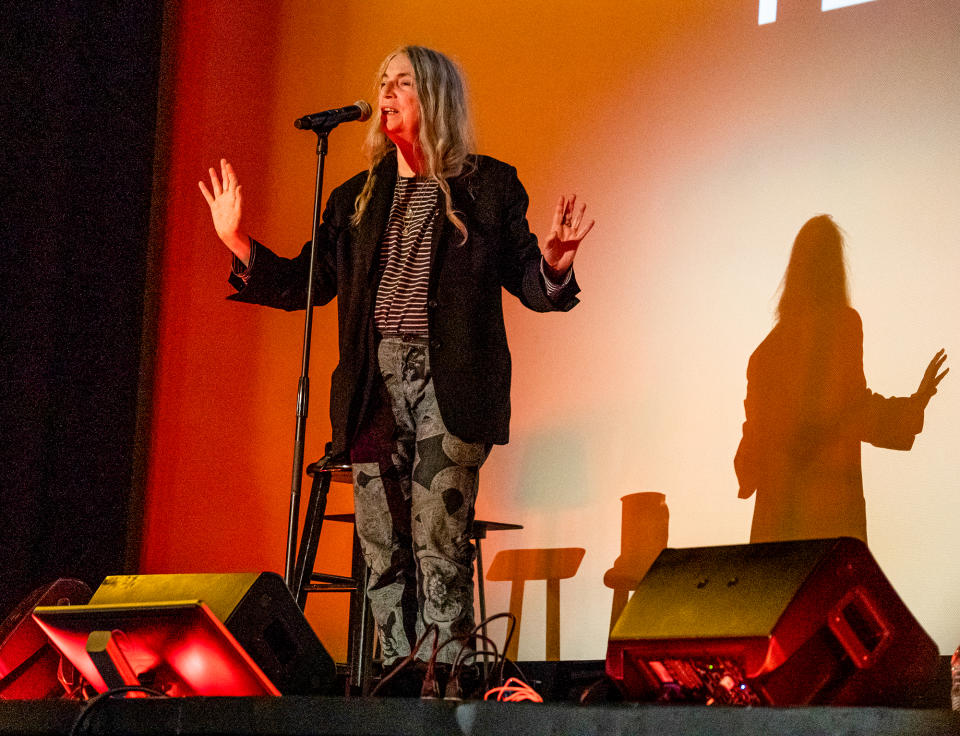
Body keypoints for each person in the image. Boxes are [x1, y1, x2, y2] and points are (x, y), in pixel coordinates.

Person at [199, 46, 593, 685]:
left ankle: (450, 690)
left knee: (437, 540)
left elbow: (529, 280)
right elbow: (312, 280)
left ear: (434, 97)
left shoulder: (489, 187)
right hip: (371, 388)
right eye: (382, 83)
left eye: (402, 83)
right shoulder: (357, 197)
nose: (386, 94)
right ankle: (398, 684)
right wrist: (240, 244)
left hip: (450, 383)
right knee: (381, 548)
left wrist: (554, 263)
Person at [734, 215, 947, 544]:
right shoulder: (842, 325)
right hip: (827, 519)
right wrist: (913, 406)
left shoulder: (764, 355)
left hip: (775, 530)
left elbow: (749, 458)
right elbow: (854, 411)